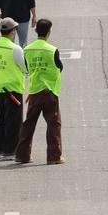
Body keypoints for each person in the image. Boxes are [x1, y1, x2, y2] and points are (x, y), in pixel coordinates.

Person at [14, 19, 64, 166]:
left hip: (34, 90)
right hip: (50, 90)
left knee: (29, 124)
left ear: (36, 32)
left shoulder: (28, 49)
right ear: (49, 32)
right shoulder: (52, 50)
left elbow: (27, 68)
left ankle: (22, 155)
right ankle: (54, 156)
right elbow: (59, 67)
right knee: (54, 124)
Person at [0, 17, 27, 160]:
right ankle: (10, 151)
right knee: (14, 121)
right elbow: (24, 67)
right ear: (12, 32)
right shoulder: (15, 49)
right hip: (13, 88)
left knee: (1, 119)